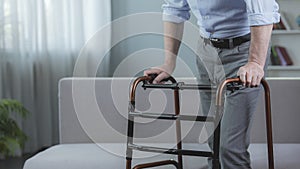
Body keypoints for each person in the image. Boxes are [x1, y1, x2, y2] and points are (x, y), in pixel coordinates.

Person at [144, 0, 280, 168]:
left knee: (230, 148)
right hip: (206, 50)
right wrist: (168, 62)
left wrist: (255, 62)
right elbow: (174, 10)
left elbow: (263, 12)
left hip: (243, 50)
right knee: (213, 143)